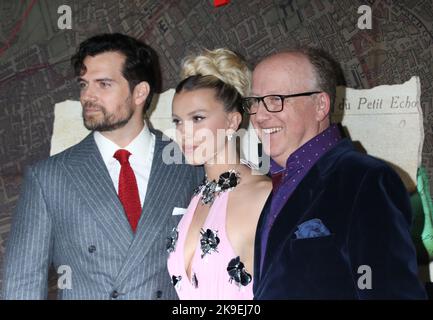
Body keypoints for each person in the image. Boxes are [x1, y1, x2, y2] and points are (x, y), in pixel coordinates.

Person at [2, 33, 203, 300]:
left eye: (103, 84)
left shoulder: (189, 163)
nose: (87, 96)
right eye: (84, 84)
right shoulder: (48, 178)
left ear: (140, 92)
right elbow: (21, 285)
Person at [245, 47, 427, 299]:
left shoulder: (367, 180)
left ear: (320, 105)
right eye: (255, 101)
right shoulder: (277, 182)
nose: (260, 115)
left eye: (276, 99)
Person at [167, 48, 272, 299]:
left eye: (198, 118)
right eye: (178, 121)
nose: (185, 132)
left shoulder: (263, 195)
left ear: (232, 122)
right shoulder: (197, 196)